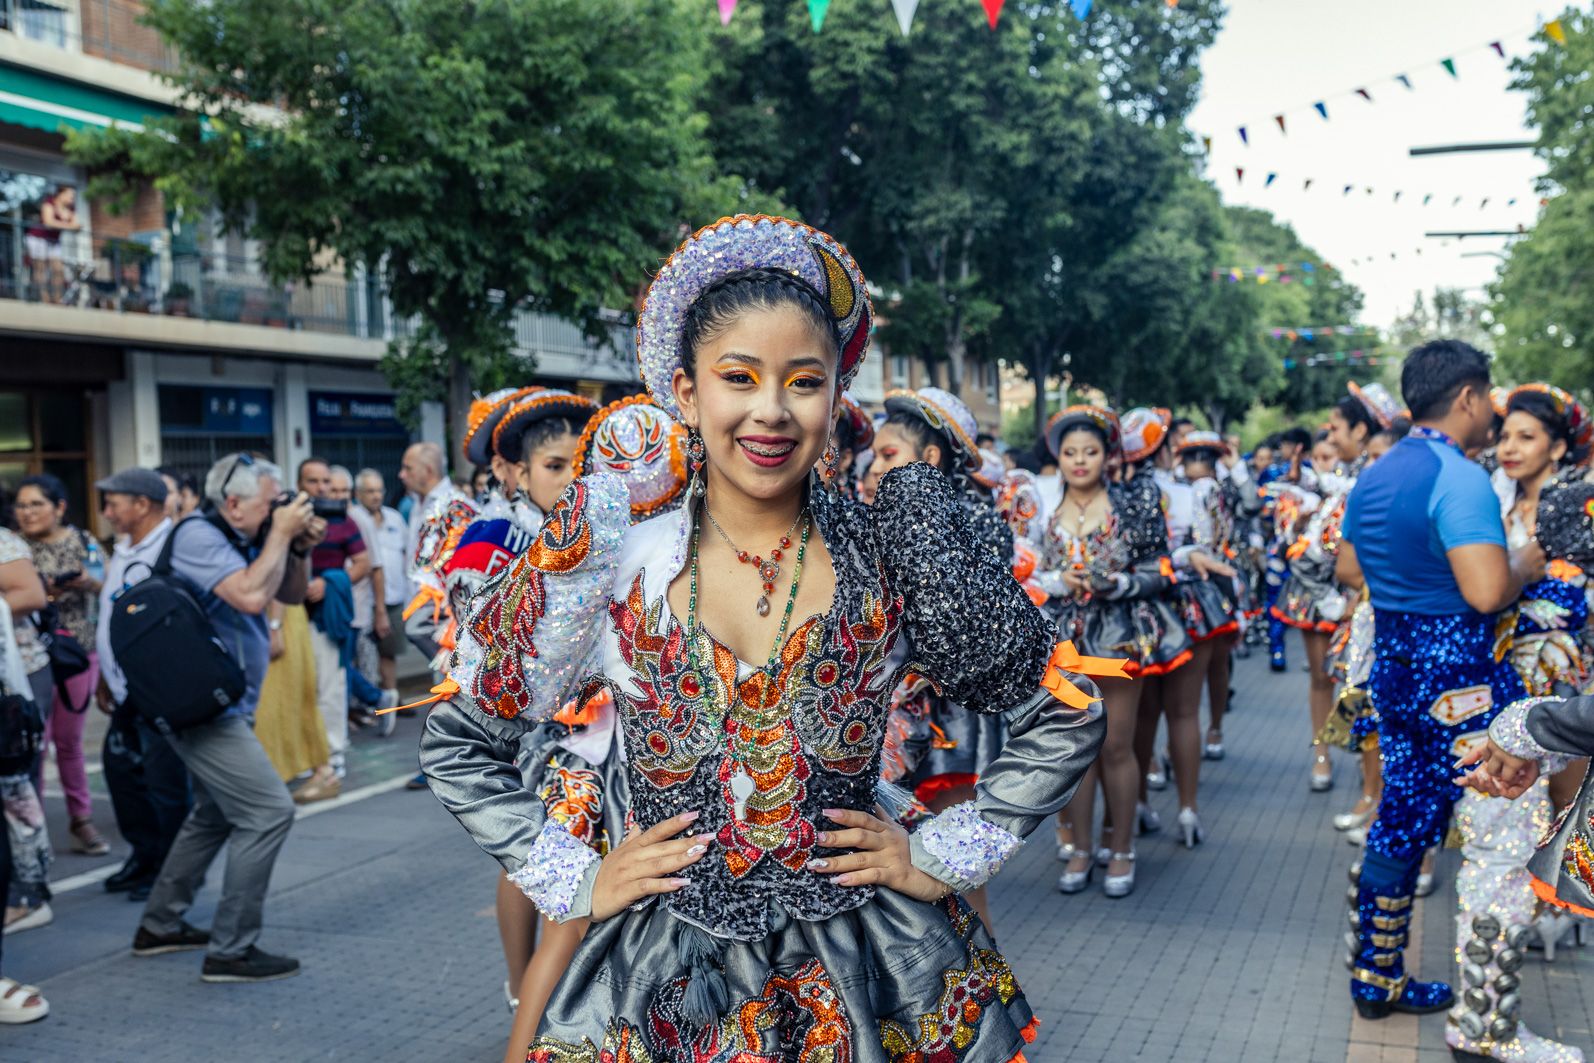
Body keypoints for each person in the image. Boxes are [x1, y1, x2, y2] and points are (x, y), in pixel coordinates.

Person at [421, 215, 1109, 1060]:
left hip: (869, 969)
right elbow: (461, 740)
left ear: (835, 395)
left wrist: (944, 851)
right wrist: (576, 876)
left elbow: (1064, 712)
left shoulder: (897, 546)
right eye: (738, 377)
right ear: (686, 390)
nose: (771, 411)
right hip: (663, 977)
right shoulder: (613, 557)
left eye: (804, 381)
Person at [1334, 341, 1543, 1019]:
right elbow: (1486, 593)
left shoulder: (1375, 473)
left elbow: (1346, 568)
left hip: (1394, 665)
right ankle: (1484, 1014)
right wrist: (1529, 561)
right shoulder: (1459, 477)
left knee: (1401, 821)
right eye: (1490, 398)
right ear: (1466, 398)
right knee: (1495, 831)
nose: (1493, 411)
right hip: (1459, 677)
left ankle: (1376, 976)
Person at [132, 452, 319, 983]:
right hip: (203, 707)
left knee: (213, 814)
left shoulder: (245, 535)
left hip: (225, 701)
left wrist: (296, 543)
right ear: (233, 503)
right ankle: (231, 950)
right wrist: (280, 535)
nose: (277, 510)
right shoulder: (197, 535)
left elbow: (287, 592)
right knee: (268, 812)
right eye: (269, 503)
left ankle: (160, 926)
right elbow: (251, 595)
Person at [1036, 405, 1182, 898]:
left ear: (1107, 456)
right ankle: (1079, 847)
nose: (1080, 461)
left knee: (1116, 745)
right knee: (1074, 748)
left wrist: (1118, 583)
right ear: (1058, 455)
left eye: (1091, 452)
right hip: (1060, 643)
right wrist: (1056, 581)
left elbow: (1162, 572)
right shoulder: (1041, 507)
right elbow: (1017, 572)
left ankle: (1120, 846)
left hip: (1119, 638)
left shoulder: (1133, 507)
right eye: (1070, 452)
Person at [1275, 382, 1398, 792]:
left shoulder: (1379, 471)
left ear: (1360, 431)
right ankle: (1323, 756)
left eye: (1336, 429)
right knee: (1321, 678)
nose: (1330, 437)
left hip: (1365, 597)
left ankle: (1370, 787)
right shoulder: (1332, 478)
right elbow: (1306, 545)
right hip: (1325, 597)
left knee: (1366, 686)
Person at [93, 469, 189, 901]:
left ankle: (168, 872)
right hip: (124, 687)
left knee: (164, 783)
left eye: (114, 503)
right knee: (121, 773)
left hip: (158, 688)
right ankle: (143, 854)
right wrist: (104, 673)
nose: (107, 513)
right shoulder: (124, 547)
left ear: (143, 504)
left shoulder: (176, 545)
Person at [14, 473, 109, 856]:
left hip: (77, 655)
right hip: (27, 658)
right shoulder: (12, 548)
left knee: (68, 742)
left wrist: (87, 583)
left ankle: (80, 819)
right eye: (21, 505)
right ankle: (29, 830)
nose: (27, 512)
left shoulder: (83, 542)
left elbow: (111, 588)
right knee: (30, 743)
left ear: (59, 507)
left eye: (37, 504)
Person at [295, 457, 369, 790]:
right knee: (299, 688)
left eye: (326, 481)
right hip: (289, 613)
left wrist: (330, 582)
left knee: (330, 686)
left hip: (327, 615)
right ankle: (305, 757)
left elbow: (363, 563)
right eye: (314, 482)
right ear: (300, 485)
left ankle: (334, 754)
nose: (321, 488)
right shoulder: (291, 518)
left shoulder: (345, 519)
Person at [0, 498, 51, 934]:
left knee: (17, 787)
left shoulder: (3, 543)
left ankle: (29, 894)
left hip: (17, 683)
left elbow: (32, 594)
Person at [328, 464, 397, 730]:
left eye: (344, 490)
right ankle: (366, 704)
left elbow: (375, 567)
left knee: (342, 666)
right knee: (338, 666)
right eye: (334, 490)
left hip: (355, 610)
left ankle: (375, 699)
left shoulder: (359, 520)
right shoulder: (319, 517)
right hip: (327, 608)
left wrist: (379, 611)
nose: (339, 496)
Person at [355, 469, 410, 698]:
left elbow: (407, 554)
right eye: (370, 491)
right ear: (358, 494)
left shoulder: (394, 518)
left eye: (379, 490)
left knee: (390, 652)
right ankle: (368, 703)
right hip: (365, 600)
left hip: (395, 598)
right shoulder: (354, 520)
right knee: (363, 655)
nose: (376, 496)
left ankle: (391, 698)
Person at [25, 184, 80, 304]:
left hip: (54, 241)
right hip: (38, 238)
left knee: (58, 269)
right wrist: (69, 225)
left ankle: (57, 298)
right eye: (70, 195)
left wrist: (64, 224)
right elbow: (48, 222)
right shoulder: (49, 203)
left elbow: (77, 226)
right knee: (40, 268)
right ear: (61, 194)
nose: (72, 198)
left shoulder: (71, 209)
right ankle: (44, 298)